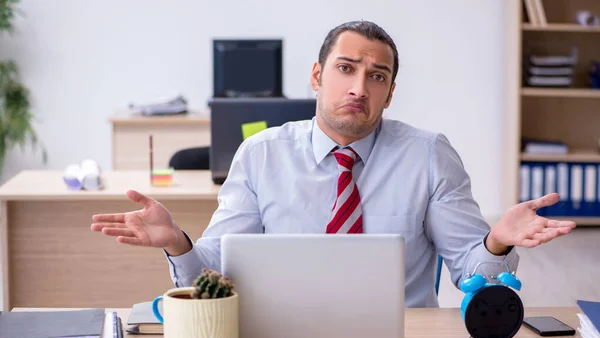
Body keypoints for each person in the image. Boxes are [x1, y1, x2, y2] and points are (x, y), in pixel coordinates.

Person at [91, 20, 575, 307]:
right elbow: (212, 277)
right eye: (346, 69)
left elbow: (474, 276)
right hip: (281, 337)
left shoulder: (429, 156)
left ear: (390, 92)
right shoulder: (261, 154)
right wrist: (178, 243)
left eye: (377, 76)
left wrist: (495, 240)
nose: (359, 88)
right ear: (318, 75)